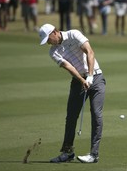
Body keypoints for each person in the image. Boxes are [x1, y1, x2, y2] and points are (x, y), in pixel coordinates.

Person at [38, 24, 106, 163]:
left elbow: (89, 52)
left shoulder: (74, 34)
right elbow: (68, 66)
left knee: (96, 114)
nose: (49, 43)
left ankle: (94, 154)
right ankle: (68, 152)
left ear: (55, 32)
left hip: (96, 78)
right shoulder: (53, 52)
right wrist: (82, 80)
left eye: (49, 39)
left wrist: (90, 76)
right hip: (78, 81)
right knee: (71, 117)